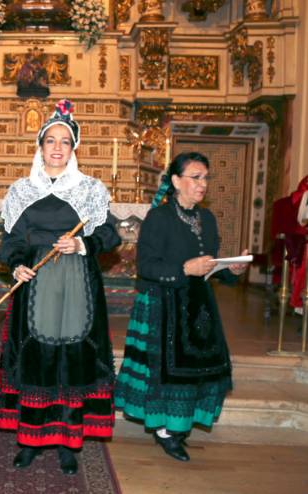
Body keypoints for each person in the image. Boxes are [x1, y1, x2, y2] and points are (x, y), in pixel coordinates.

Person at [0, 100, 120, 475]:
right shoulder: (21, 190)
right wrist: (16, 265)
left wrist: (82, 243)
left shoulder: (90, 190)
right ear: (40, 145)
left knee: (72, 360)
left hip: (78, 285)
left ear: (73, 148)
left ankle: (68, 442)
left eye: (65, 141)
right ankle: (31, 441)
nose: (57, 147)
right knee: (37, 359)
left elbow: (111, 234)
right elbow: (11, 241)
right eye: (51, 140)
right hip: (36, 285)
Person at [115, 152, 248, 462]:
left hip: (197, 306)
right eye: (196, 177)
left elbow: (210, 266)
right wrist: (184, 269)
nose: (203, 184)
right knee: (166, 372)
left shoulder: (208, 219)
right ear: (176, 181)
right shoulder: (159, 217)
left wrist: (232, 270)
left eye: (205, 178)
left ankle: (179, 425)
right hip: (162, 304)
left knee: (199, 368)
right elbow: (146, 266)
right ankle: (166, 430)